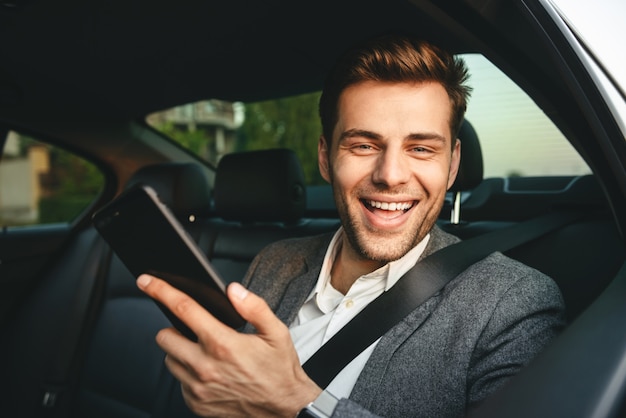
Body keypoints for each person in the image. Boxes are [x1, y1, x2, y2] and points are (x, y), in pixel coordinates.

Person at [136, 33, 565, 417]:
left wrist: (296, 401)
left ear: (452, 165)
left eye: (420, 148)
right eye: (363, 144)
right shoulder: (275, 261)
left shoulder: (511, 305)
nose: (391, 174)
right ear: (326, 157)